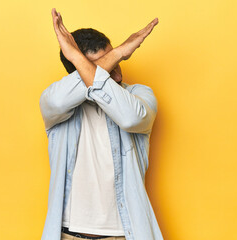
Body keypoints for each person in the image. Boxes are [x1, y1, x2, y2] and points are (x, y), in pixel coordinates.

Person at [39, 8, 163, 240]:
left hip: (123, 234)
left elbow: (130, 118)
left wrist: (89, 62)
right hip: (69, 234)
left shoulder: (140, 95)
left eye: (118, 60)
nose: (116, 76)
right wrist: (78, 57)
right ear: (77, 70)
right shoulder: (55, 102)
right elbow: (56, 101)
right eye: (108, 65)